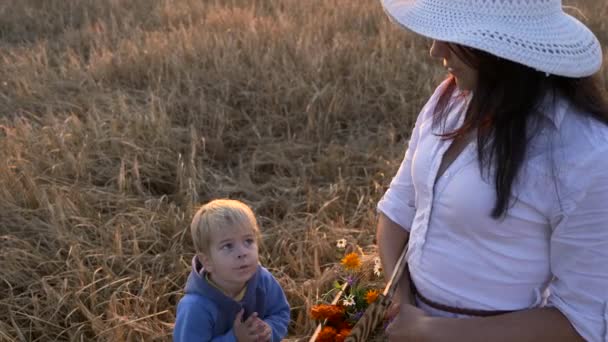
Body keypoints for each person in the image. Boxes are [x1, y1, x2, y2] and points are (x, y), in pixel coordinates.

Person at [375, 0, 608, 341]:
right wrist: (402, 306)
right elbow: (398, 209)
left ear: (502, 48)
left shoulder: (584, 153)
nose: (435, 49)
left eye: (456, 36)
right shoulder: (449, 100)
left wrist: (430, 330)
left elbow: (579, 323)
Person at [174, 199, 290, 341]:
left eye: (248, 241)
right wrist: (235, 339)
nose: (242, 252)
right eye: (228, 246)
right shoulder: (195, 307)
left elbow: (280, 312)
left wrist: (268, 330)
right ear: (207, 261)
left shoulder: (263, 280)